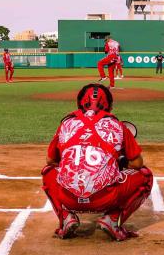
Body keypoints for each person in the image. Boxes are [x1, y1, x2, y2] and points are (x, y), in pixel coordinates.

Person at [42, 83, 153, 241]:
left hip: (68, 198)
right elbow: (137, 163)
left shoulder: (66, 124)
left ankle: (65, 218)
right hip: (105, 198)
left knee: (48, 172)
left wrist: (74, 165)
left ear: (81, 102)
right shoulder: (118, 125)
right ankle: (113, 219)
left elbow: (51, 160)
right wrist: (119, 163)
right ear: (108, 105)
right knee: (145, 176)